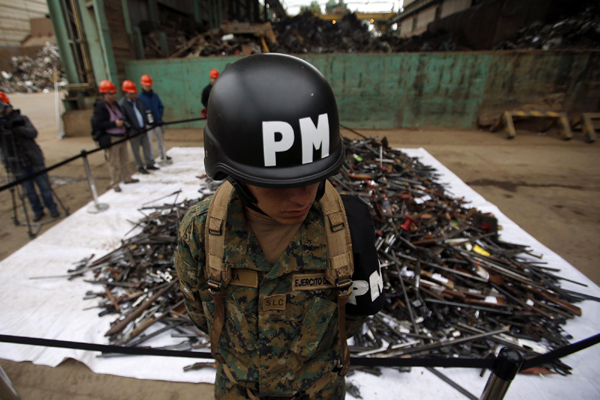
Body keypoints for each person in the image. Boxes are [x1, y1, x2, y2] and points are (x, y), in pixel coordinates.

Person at [175, 54, 384, 400]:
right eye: (277, 184)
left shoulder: (347, 225)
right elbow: (199, 311)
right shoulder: (202, 231)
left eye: (314, 177)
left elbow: (354, 318)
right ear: (236, 174)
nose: (301, 198)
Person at [0, 97, 59, 221]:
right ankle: (37, 211)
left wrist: (16, 128)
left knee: (44, 187)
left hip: (33, 159)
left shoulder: (21, 119)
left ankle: (52, 208)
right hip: (17, 164)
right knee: (29, 191)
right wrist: (6, 164)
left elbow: (33, 133)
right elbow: (2, 149)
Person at [91, 80, 139, 193]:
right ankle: (115, 183)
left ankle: (127, 177)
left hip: (121, 135)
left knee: (124, 159)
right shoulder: (100, 107)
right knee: (114, 162)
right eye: (111, 93)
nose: (113, 95)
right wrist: (114, 124)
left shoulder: (115, 104)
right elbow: (98, 124)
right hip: (111, 137)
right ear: (104, 94)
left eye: (114, 93)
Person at [118, 80, 158, 175]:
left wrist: (147, 122)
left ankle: (149, 163)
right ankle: (140, 166)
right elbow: (123, 118)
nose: (134, 95)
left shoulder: (138, 101)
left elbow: (143, 112)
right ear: (126, 93)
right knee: (136, 150)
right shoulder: (122, 104)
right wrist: (130, 129)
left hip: (143, 129)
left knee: (147, 147)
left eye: (134, 93)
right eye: (131, 93)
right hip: (133, 132)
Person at [138, 74, 172, 163]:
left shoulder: (155, 96)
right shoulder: (140, 98)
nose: (148, 87)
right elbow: (140, 111)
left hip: (157, 122)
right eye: (146, 85)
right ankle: (151, 157)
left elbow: (160, 106)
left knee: (161, 140)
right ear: (142, 85)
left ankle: (163, 155)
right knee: (148, 141)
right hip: (148, 124)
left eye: (149, 85)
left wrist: (159, 116)